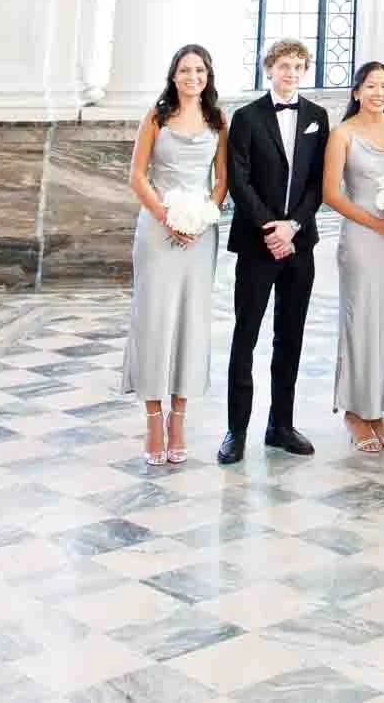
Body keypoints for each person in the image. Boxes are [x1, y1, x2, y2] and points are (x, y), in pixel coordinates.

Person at [220, 37, 329, 463]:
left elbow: (319, 180)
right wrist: (271, 226)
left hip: (300, 244)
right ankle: (236, 430)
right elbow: (238, 179)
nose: (291, 73)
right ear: (269, 69)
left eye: (298, 66)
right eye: (284, 65)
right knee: (245, 336)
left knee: (291, 335)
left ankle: (280, 425)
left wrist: (294, 225)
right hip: (257, 242)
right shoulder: (246, 118)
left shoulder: (318, 117)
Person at [121, 43, 228, 466]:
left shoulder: (219, 120)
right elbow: (136, 175)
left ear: (208, 76)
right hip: (157, 229)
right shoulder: (156, 116)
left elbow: (221, 180)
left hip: (200, 236)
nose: (193, 77)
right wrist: (166, 216)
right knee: (154, 320)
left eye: (199, 70)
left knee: (190, 322)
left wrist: (201, 219)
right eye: (185, 70)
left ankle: (179, 419)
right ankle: (152, 418)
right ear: (174, 75)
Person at [322, 58, 384, 453]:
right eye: (371, 86)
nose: (380, 93)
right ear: (356, 91)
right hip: (361, 238)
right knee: (360, 321)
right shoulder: (342, 134)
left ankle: (377, 410)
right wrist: (373, 222)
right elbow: (331, 194)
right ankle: (355, 412)